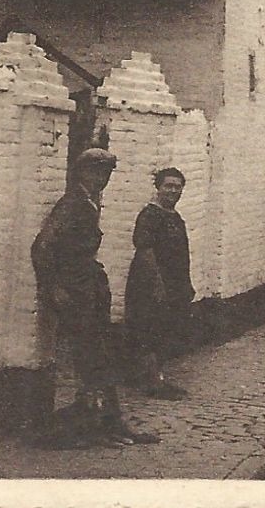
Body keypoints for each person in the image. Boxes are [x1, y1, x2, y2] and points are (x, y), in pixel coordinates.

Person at [30, 147, 158, 448]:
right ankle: (100, 426)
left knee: (99, 356)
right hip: (75, 294)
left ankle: (110, 423)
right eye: (96, 172)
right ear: (82, 173)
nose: (102, 179)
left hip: (89, 291)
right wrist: (53, 287)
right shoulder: (73, 204)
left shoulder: (88, 202)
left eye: (106, 174)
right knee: (91, 358)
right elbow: (42, 247)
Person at [123, 167, 195, 399]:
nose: (173, 191)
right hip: (150, 281)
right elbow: (145, 249)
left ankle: (154, 376)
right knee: (150, 328)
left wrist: (186, 284)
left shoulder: (175, 218)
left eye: (177, 186)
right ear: (158, 188)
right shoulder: (150, 216)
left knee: (165, 329)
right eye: (168, 186)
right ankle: (154, 382)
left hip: (172, 283)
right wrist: (156, 283)